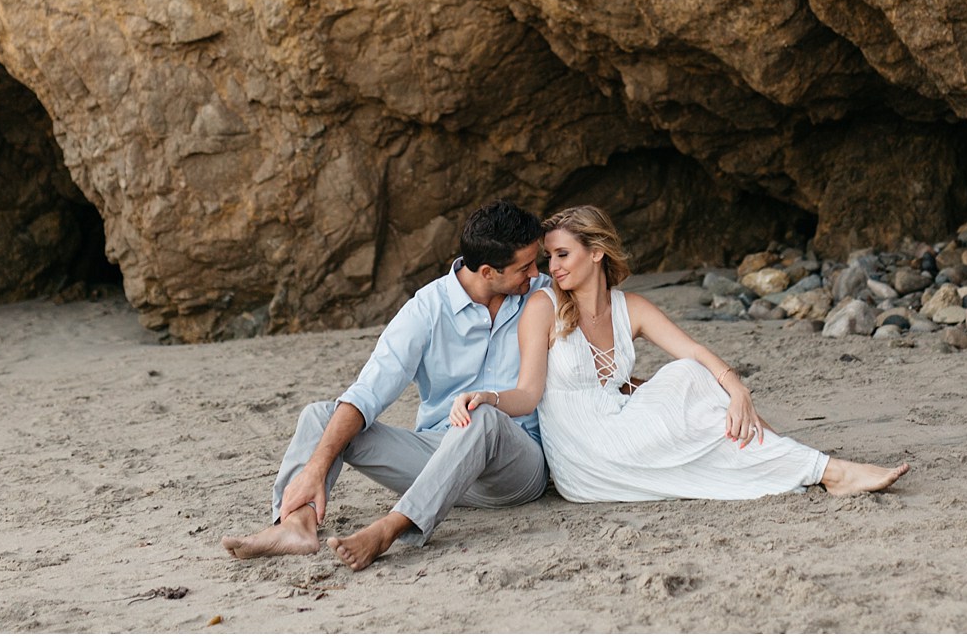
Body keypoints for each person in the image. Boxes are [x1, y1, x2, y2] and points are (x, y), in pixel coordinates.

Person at [449, 204, 909, 501]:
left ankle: (818, 467)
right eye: (549, 257)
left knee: (693, 376)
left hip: (623, 421)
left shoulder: (632, 308)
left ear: (596, 253)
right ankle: (821, 467)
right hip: (587, 455)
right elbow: (528, 394)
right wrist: (489, 397)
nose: (552, 267)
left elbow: (695, 351)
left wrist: (738, 389)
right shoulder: (542, 306)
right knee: (698, 399)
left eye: (563, 255)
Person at [221, 199, 550, 570]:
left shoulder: (543, 295)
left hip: (514, 467)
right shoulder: (426, 309)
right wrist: (315, 469)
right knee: (320, 416)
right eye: (525, 266)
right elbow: (369, 391)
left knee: (483, 416)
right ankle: (295, 524)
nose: (536, 273)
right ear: (488, 271)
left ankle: (389, 529)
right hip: (437, 462)